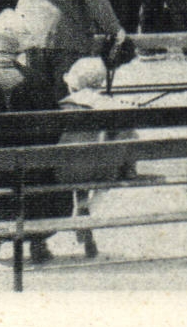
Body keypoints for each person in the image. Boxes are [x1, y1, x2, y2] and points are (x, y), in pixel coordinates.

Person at [0, 10, 69, 264]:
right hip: (31, 179)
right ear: (20, 48)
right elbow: (53, 131)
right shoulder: (36, 80)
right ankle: (38, 241)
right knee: (40, 167)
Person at [57, 57, 139, 259]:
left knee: (77, 161)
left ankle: (83, 210)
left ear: (73, 83)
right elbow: (130, 143)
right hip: (105, 173)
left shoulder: (61, 108)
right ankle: (85, 209)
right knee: (100, 161)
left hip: (66, 172)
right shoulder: (114, 106)